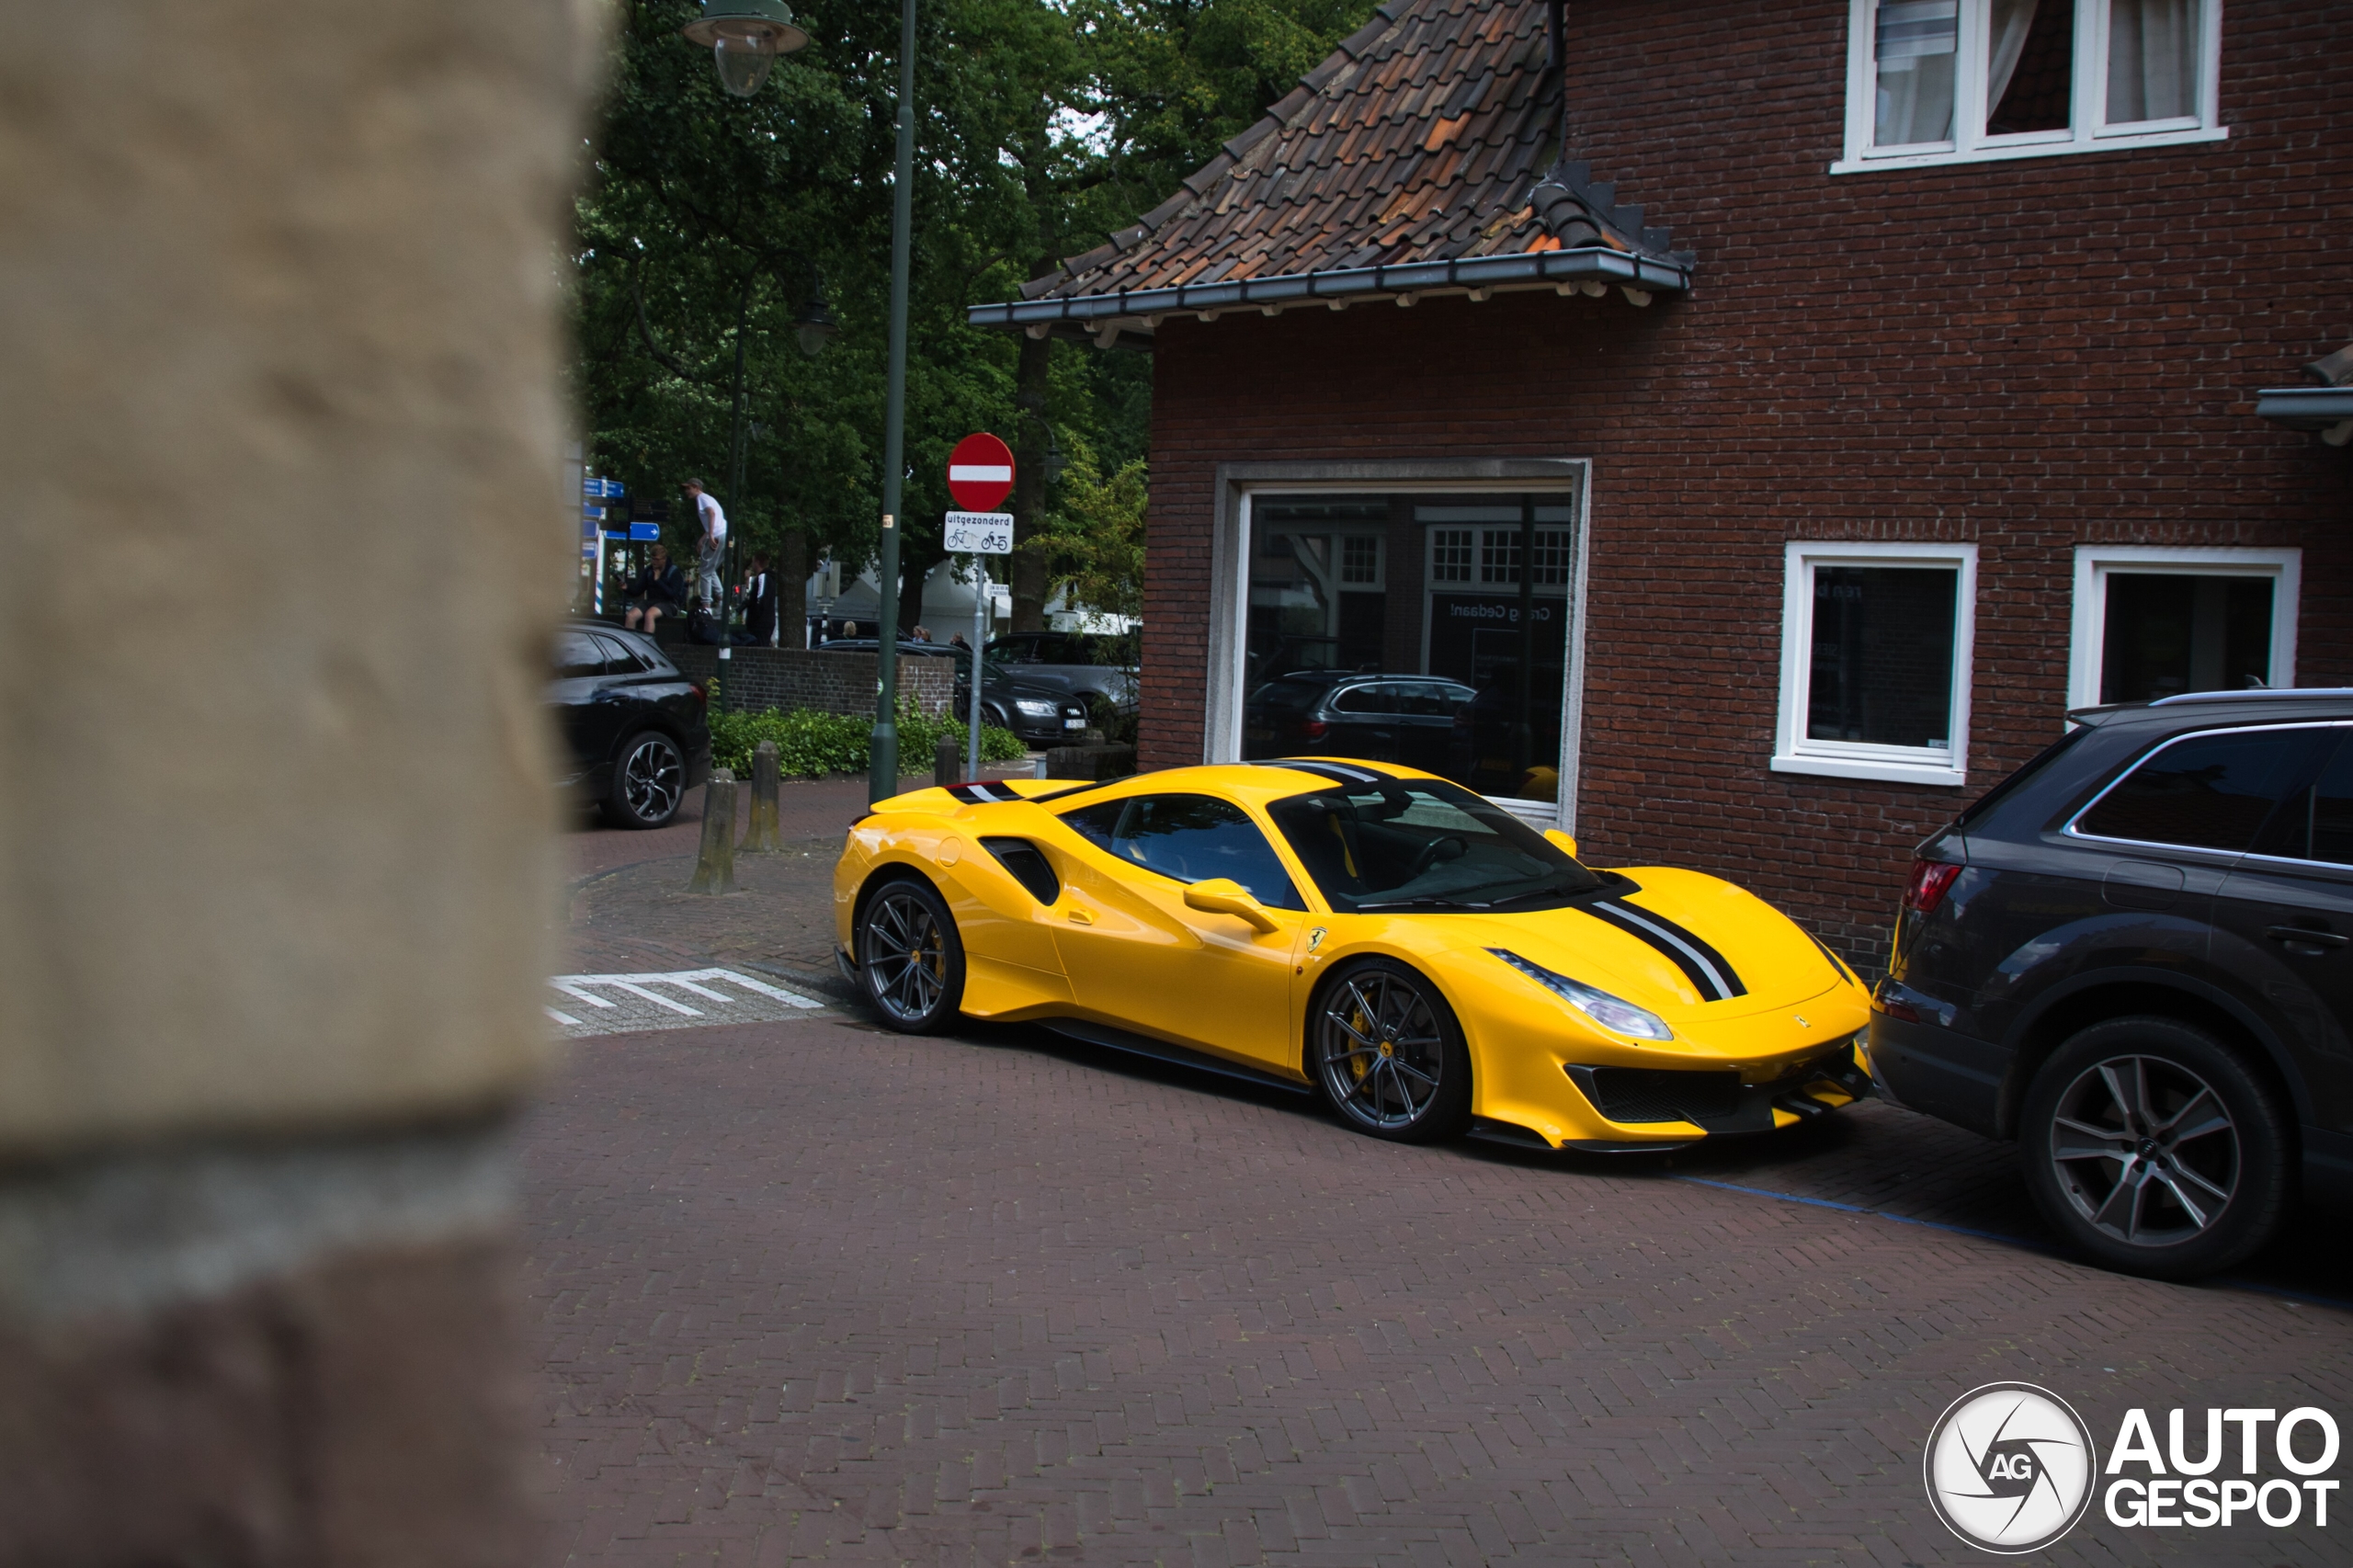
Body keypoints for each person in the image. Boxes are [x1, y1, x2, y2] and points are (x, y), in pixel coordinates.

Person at [681, 478, 726, 614]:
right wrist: (703, 539)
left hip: (717, 535)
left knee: (704, 571)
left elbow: (711, 513)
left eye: (688, 488)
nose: (686, 492)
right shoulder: (710, 498)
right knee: (710, 568)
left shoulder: (701, 498)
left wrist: (711, 535)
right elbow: (715, 519)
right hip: (725, 534)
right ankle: (723, 600)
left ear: (696, 487)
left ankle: (706, 607)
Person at [621, 544, 685, 637]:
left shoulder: (674, 572)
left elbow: (672, 594)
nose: (654, 562)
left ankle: (647, 644)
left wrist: (658, 580)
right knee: (631, 616)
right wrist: (626, 588)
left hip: (669, 603)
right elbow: (638, 590)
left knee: (650, 614)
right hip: (651, 601)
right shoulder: (649, 570)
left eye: (657, 560)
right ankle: (629, 644)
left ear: (664, 559)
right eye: (652, 559)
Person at [743, 552, 778, 645]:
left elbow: (760, 597)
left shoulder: (763, 576)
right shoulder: (769, 578)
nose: (752, 564)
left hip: (761, 623)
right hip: (764, 621)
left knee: (759, 646)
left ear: (757, 562)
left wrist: (756, 616)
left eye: (753, 561)